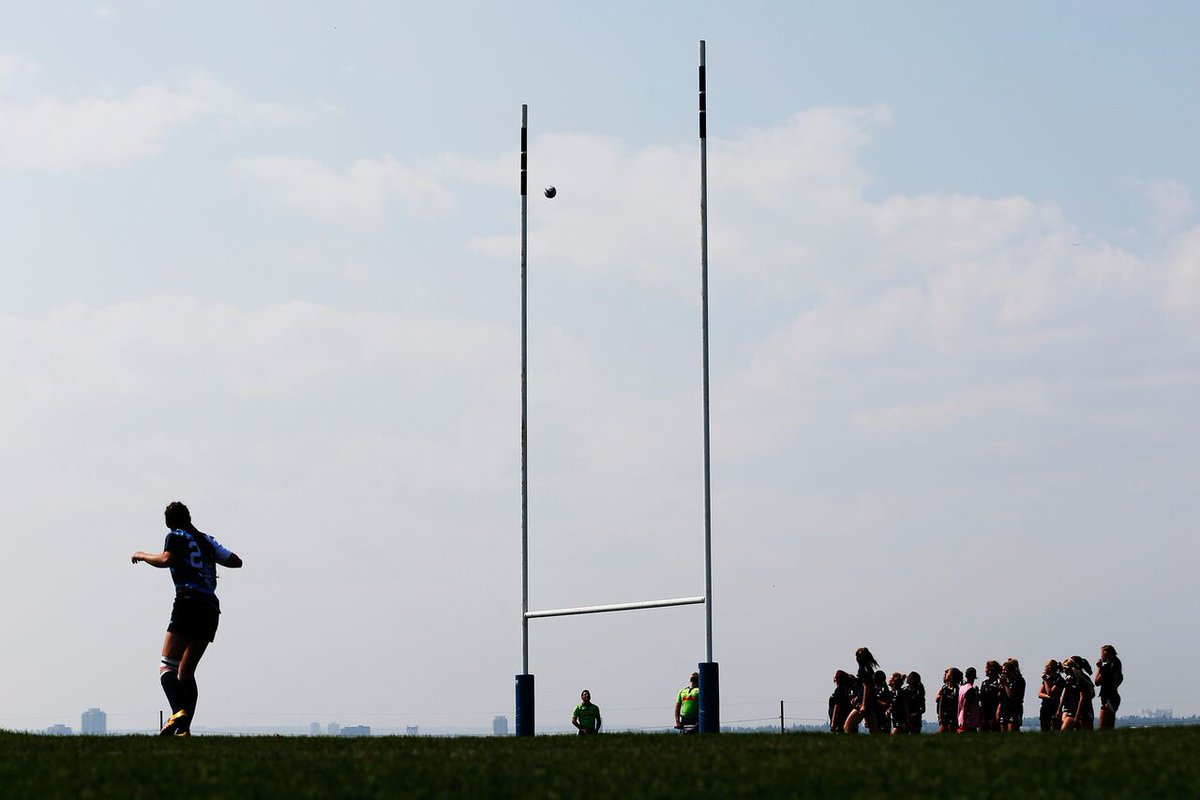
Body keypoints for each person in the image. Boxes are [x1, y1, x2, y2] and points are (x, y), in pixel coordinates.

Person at [131, 501, 242, 736]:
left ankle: (178, 712)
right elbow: (235, 561)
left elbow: (166, 560)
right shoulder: (206, 539)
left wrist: (141, 555)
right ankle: (184, 729)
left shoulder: (176, 535)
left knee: (167, 665)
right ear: (189, 517)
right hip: (210, 607)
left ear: (169, 522)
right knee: (186, 671)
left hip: (188, 600)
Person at [843, 647, 880, 734]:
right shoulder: (869, 669)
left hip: (864, 703)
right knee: (873, 729)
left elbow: (866, 687)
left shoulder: (862, 670)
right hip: (870, 701)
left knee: (847, 726)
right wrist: (857, 697)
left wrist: (863, 704)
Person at [1095, 644, 1123, 730]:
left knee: (1102, 727)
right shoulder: (1116, 666)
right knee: (1110, 726)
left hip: (1108, 698)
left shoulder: (1107, 667)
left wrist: (1099, 668)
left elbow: (1097, 682)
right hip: (1114, 697)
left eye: (1101, 654)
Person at [998, 658, 1026, 732]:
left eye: (1005, 670)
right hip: (1004, 709)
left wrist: (1006, 685)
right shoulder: (1004, 681)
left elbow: (1012, 697)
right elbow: (1001, 697)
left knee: (1012, 731)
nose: (1004, 672)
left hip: (1014, 710)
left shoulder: (1018, 680)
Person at [1038, 659, 1064, 731]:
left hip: (1054, 707)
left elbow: (1050, 692)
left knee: (1055, 728)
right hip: (1045, 707)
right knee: (1044, 729)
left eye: (1045, 667)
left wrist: (1045, 680)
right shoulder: (1048, 678)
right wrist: (1048, 697)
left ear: (1049, 668)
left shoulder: (1059, 680)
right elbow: (1040, 694)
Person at [979, 661, 1002, 732]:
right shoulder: (984, 682)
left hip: (994, 710)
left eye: (987, 668)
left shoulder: (998, 681)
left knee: (994, 729)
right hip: (984, 711)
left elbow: (1001, 697)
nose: (985, 670)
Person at [957, 666, 982, 733]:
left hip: (960, 718)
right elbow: (966, 705)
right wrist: (965, 721)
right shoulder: (970, 689)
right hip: (969, 721)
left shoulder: (962, 688)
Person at [936, 668, 960, 734]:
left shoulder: (957, 690)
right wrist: (940, 716)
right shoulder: (944, 688)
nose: (946, 674)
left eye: (948, 672)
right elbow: (940, 703)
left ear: (951, 676)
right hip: (944, 718)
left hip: (952, 717)